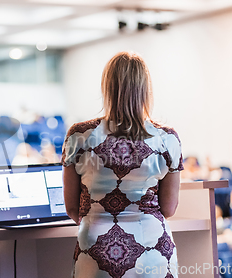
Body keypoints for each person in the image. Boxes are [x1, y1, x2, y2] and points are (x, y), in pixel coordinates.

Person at [62, 51, 183, 278]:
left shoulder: (79, 136)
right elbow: (168, 208)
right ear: (145, 89)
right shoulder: (167, 139)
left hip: (97, 246)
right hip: (152, 247)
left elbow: (71, 208)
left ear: (107, 87)